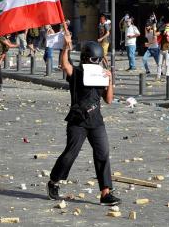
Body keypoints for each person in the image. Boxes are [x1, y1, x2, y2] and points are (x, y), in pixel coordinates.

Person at [47, 35, 121, 206]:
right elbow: (65, 65)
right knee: (70, 154)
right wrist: (66, 47)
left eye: (99, 59)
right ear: (86, 58)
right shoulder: (78, 73)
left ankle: (105, 193)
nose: (97, 62)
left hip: (96, 121)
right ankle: (54, 182)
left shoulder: (101, 74)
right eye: (95, 59)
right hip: (78, 121)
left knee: (103, 153)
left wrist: (110, 80)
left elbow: (108, 100)